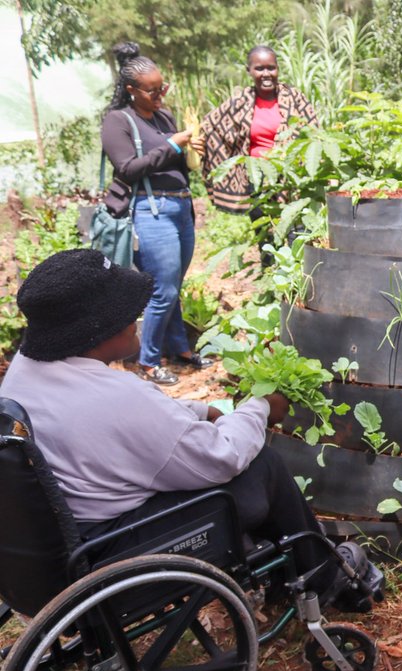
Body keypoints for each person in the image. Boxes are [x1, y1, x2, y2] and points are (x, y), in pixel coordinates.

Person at [0, 249, 379, 609]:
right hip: (113, 550)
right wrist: (260, 408)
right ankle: (328, 577)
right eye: (128, 312)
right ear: (97, 330)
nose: (139, 316)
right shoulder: (118, 400)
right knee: (261, 465)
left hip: (65, 545)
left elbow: (124, 415)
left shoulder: (25, 373)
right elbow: (221, 457)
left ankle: (282, 572)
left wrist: (200, 410)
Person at [101, 42, 210, 386]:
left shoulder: (163, 117)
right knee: (162, 290)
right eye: (153, 91)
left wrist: (192, 151)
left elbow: (174, 163)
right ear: (132, 90)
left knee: (173, 286)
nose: (160, 95)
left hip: (180, 206)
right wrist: (174, 144)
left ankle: (179, 349)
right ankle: (148, 362)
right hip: (151, 211)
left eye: (163, 87)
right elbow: (129, 168)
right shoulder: (118, 121)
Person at [199, 45, 318, 215]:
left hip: (293, 177)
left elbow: (314, 131)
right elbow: (209, 126)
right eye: (259, 69)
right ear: (249, 70)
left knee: (295, 232)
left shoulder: (294, 98)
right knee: (266, 233)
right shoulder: (240, 102)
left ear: (277, 68)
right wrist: (198, 142)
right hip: (256, 179)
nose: (266, 74)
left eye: (271, 68)